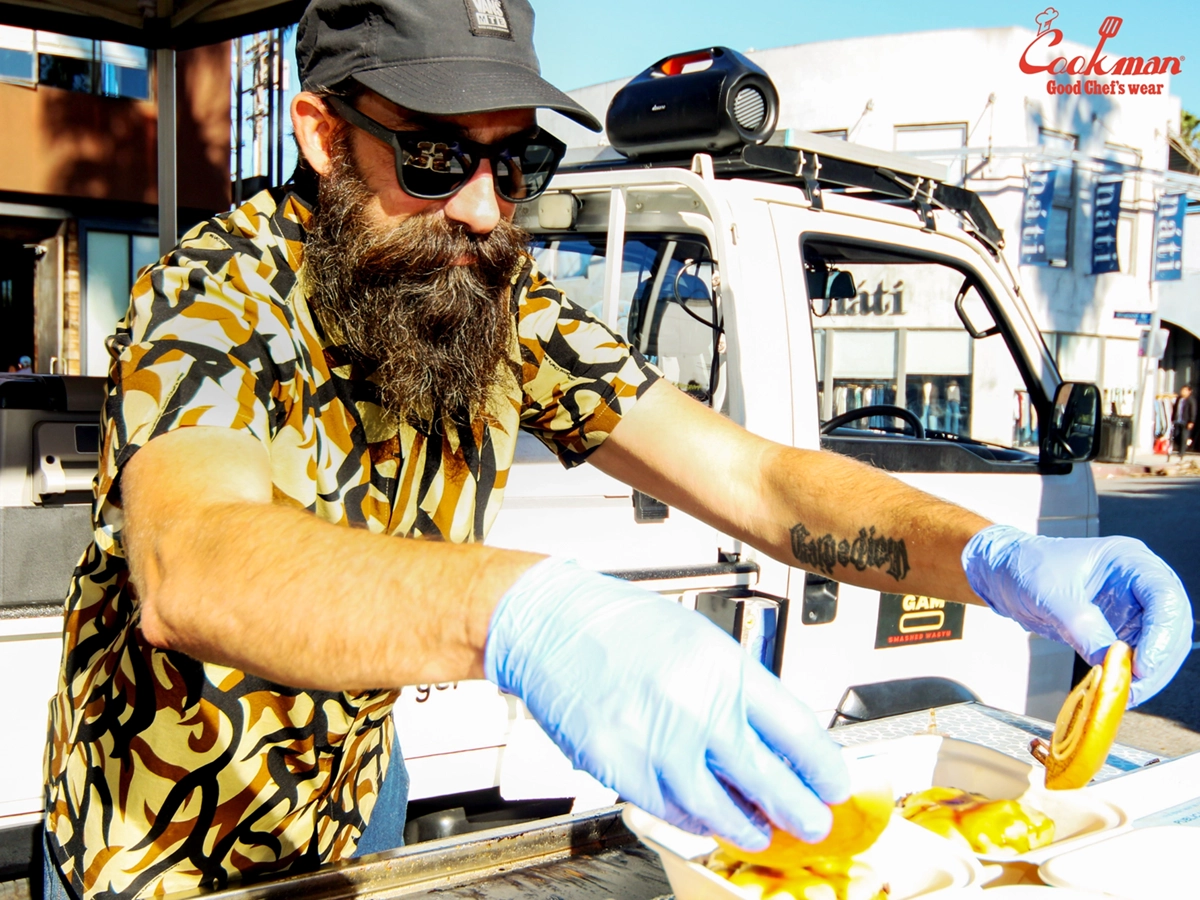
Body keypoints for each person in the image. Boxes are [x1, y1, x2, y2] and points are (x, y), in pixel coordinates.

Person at [42, 2, 1192, 898]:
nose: (488, 210)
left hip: (355, 820)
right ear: (322, 134)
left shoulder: (494, 297)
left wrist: (989, 557)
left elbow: (749, 475)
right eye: (439, 158)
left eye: (516, 165)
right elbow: (194, 565)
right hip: (157, 860)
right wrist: (531, 614)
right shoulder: (218, 293)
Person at [1170, 384, 1195, 462]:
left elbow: (1193, 411)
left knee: (1183, 437)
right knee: (1176, 435)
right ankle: (1179, 447)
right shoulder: (1178, 399)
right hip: (1178, 420)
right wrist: (1172, 418)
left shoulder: (1191, 400)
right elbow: (1174, 409)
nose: (1182, 392)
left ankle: (1181, 452)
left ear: (1189, 392)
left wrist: (1191, 421)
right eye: (1182, 390)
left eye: (1185, 390)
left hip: (1185, 421)